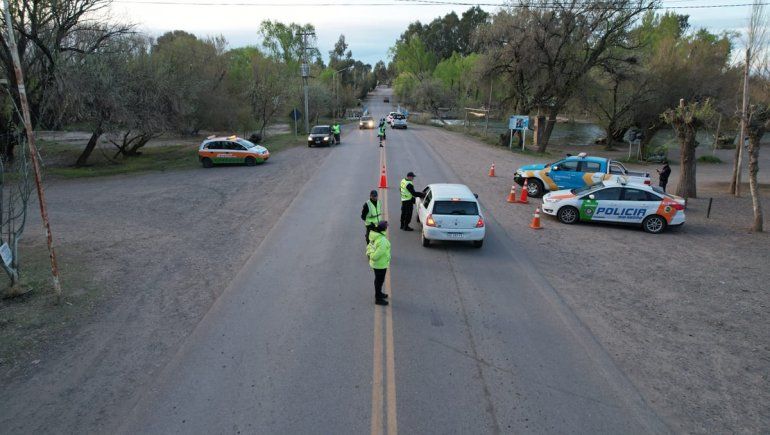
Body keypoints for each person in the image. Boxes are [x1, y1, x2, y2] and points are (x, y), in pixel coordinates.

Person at [366, 221, 390, 306]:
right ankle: (378, 298)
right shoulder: (382, 239)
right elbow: (380, 252)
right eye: (386, 227)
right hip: (380, 264)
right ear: (384, 228)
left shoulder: (374, 236)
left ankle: (379, 294)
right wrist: (373, 256)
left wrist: (370, 255)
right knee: (379, 281)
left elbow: (369, 246)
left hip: (377, 264)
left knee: (379, 280)